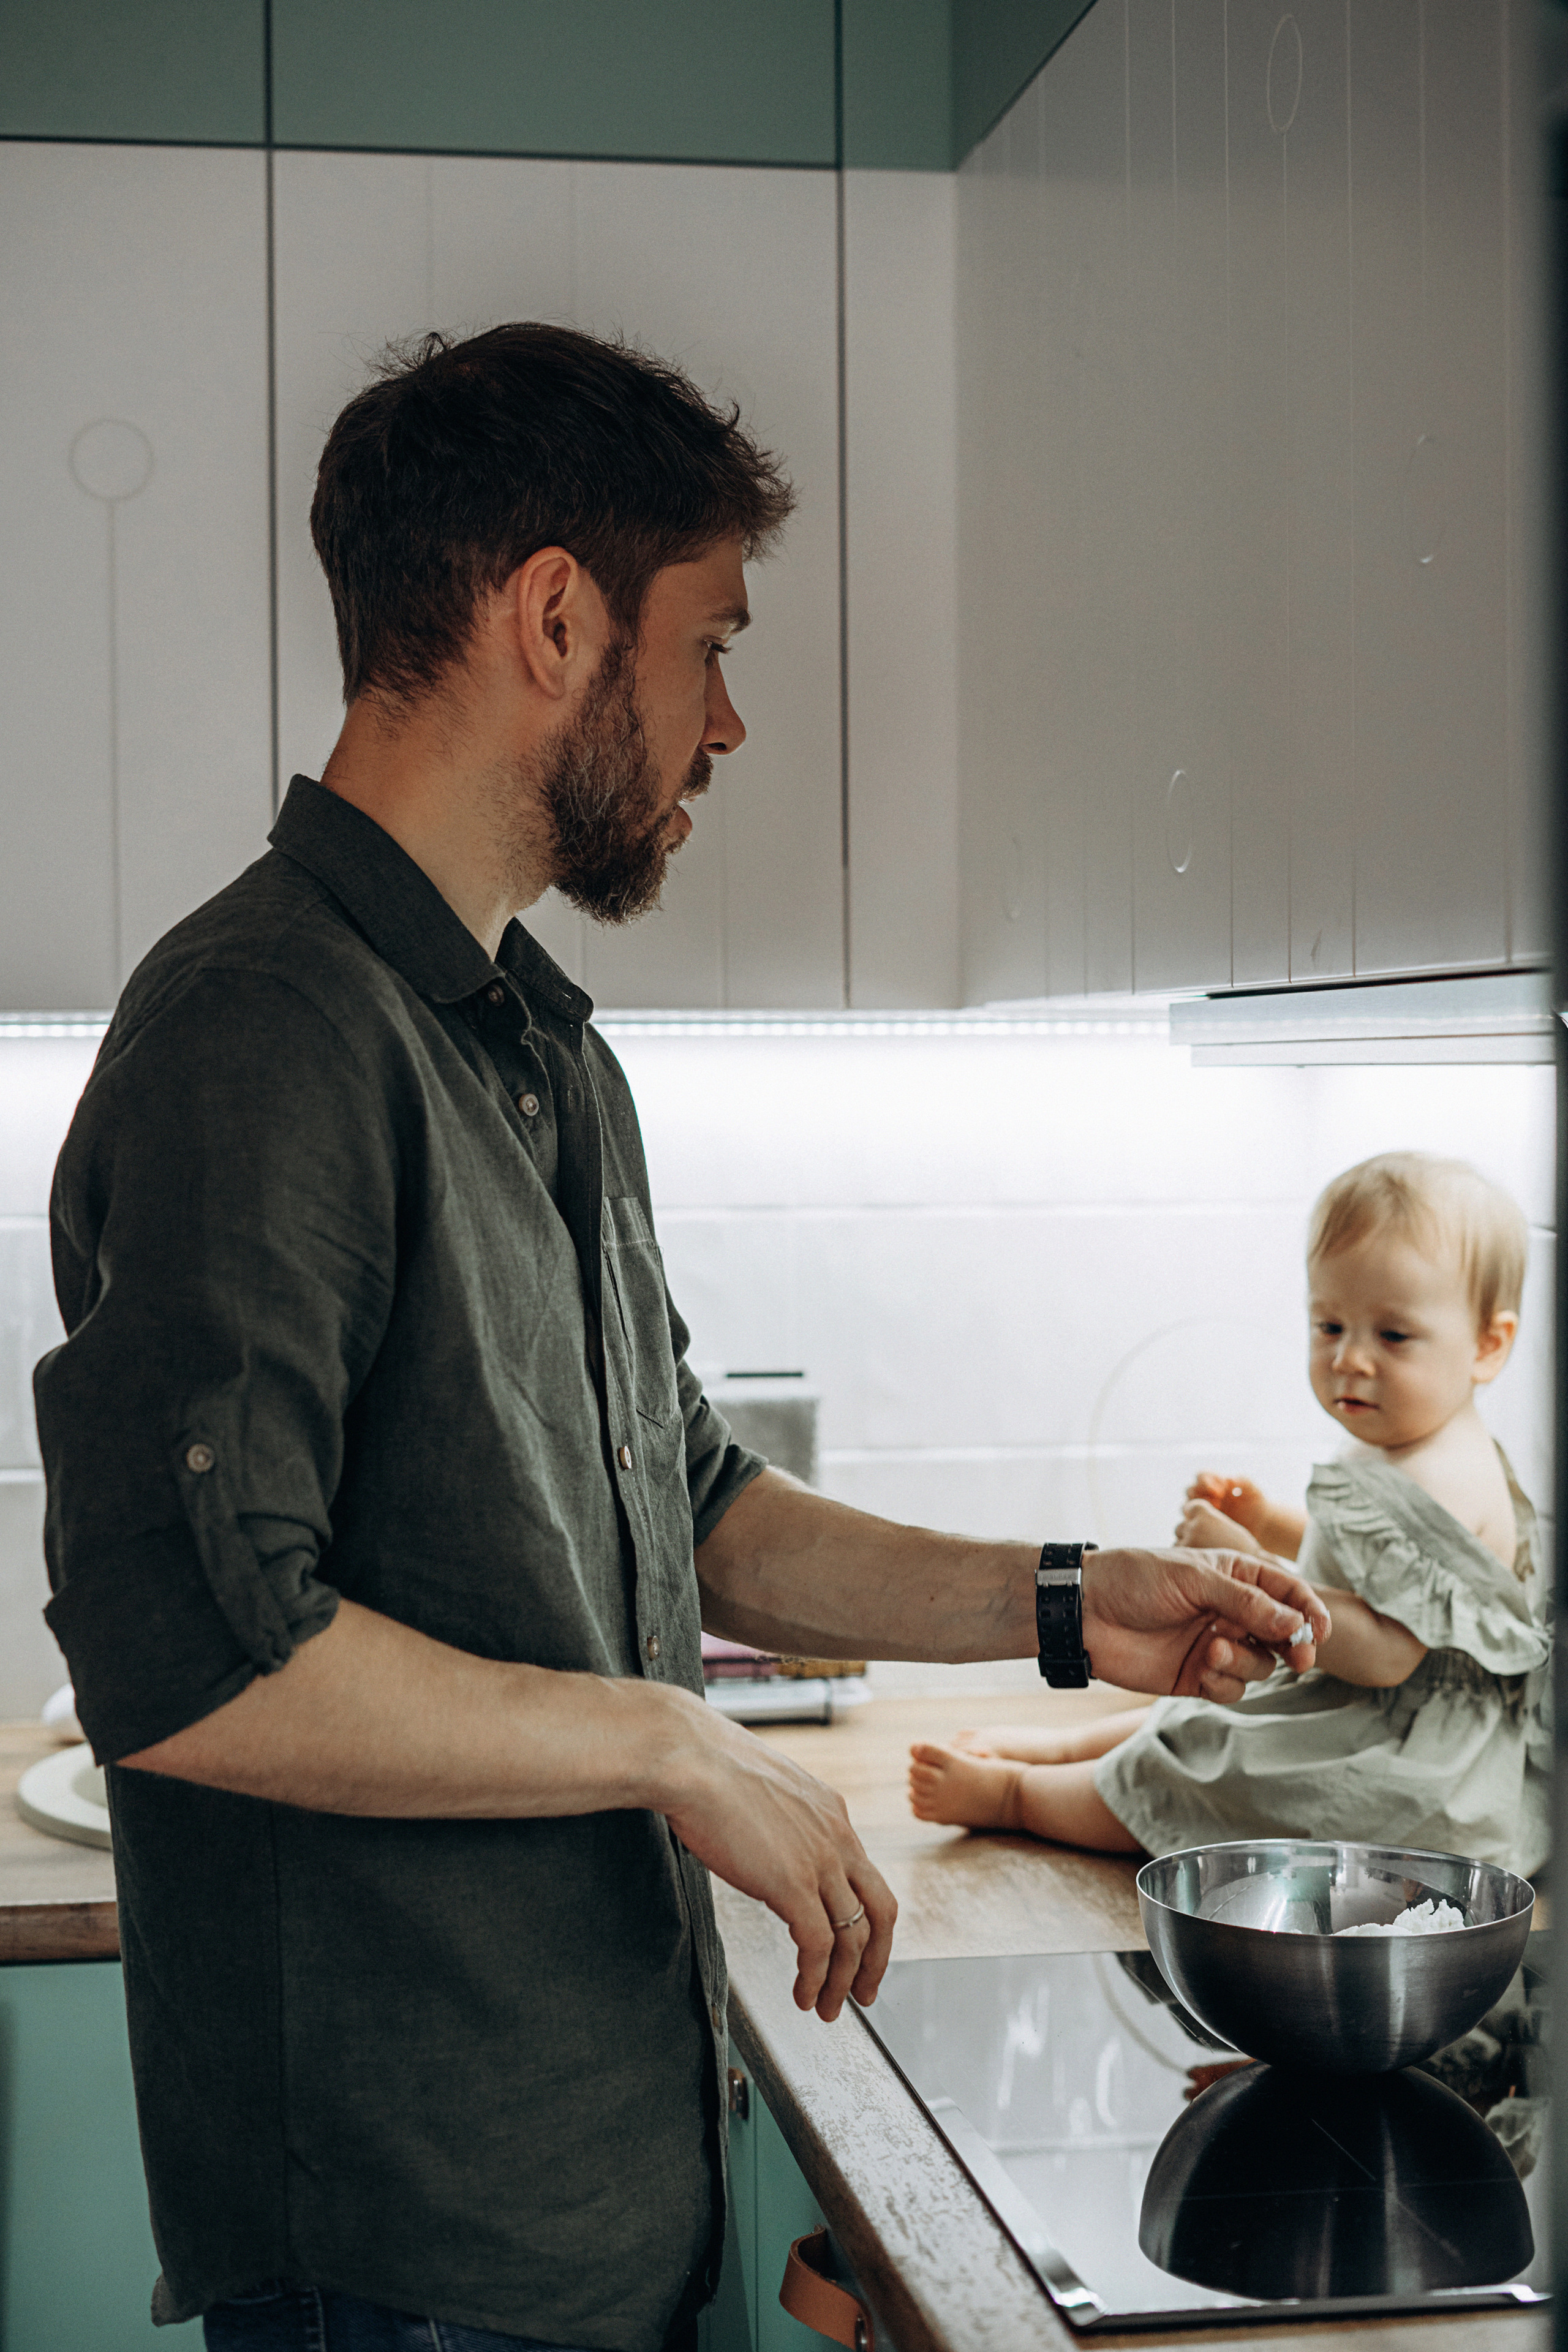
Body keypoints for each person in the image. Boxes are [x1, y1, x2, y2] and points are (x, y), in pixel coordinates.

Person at [34, 325, 1325, 2352]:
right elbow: (196, 1669)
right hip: (412, 2246)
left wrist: (1078, 1603)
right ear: (555, 618)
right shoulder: (266, 1035)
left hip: (596, 2178)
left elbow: (690, 1501)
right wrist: (668, 1735)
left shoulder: (535, 1048)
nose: (727, 722)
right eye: (708, 641)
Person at [909, 1152, 1550, 1879]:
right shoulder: (1422, 1440)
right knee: (1209, 1715)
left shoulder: (1439, 1478)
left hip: (1406, 1759)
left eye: (1392, 1336)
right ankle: (1055, 1749)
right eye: (1329, 1325)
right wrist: (1272, 1522)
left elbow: (1384, 1652)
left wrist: (1252, 1564)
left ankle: (1020, 1795)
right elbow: (1374, 1575)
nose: (1350, 1359)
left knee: (1212, 1776)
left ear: (1488, 1345)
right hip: (1367, 1711)